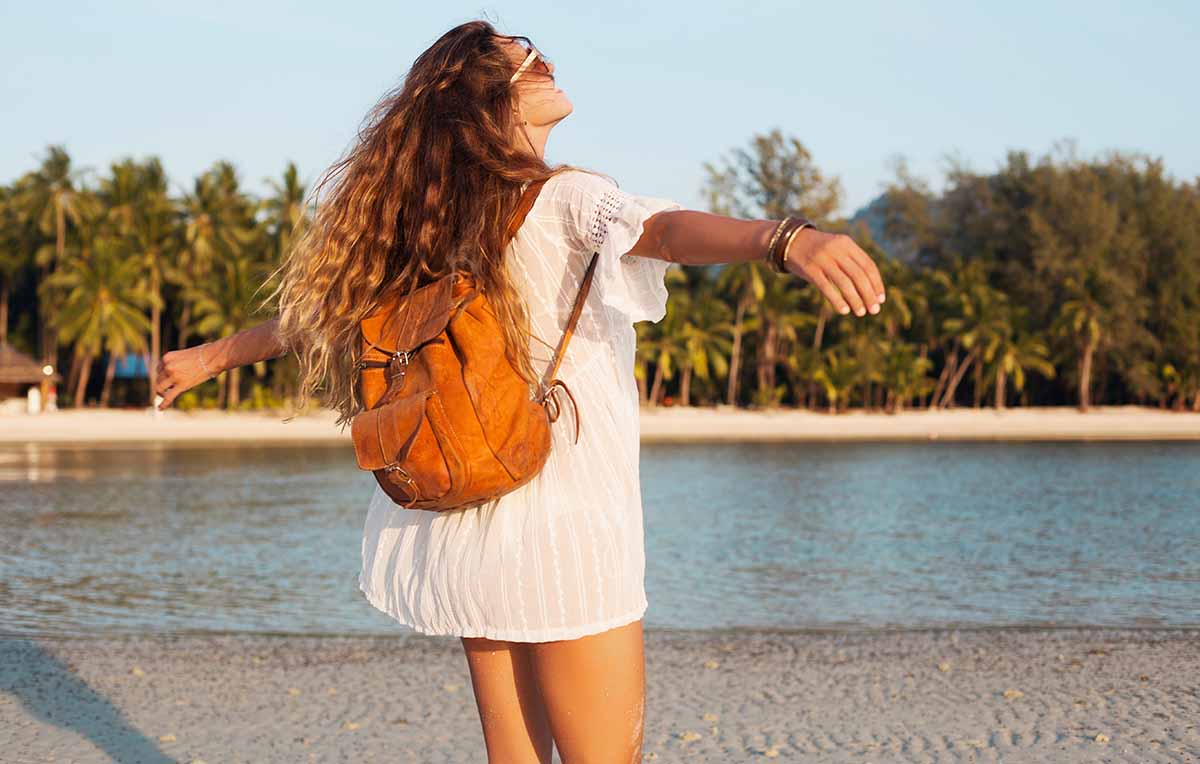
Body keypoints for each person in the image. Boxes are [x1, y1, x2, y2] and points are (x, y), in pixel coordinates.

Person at [154, 19, 885, 764]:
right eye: (527, 60)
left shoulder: (434, 229)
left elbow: (324, 318)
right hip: (566, 525)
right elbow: (662, 230)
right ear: (488, 100)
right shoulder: (567, 197)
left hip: (467, 511)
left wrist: (211, 359)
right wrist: (784, 239)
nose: (545, 61)